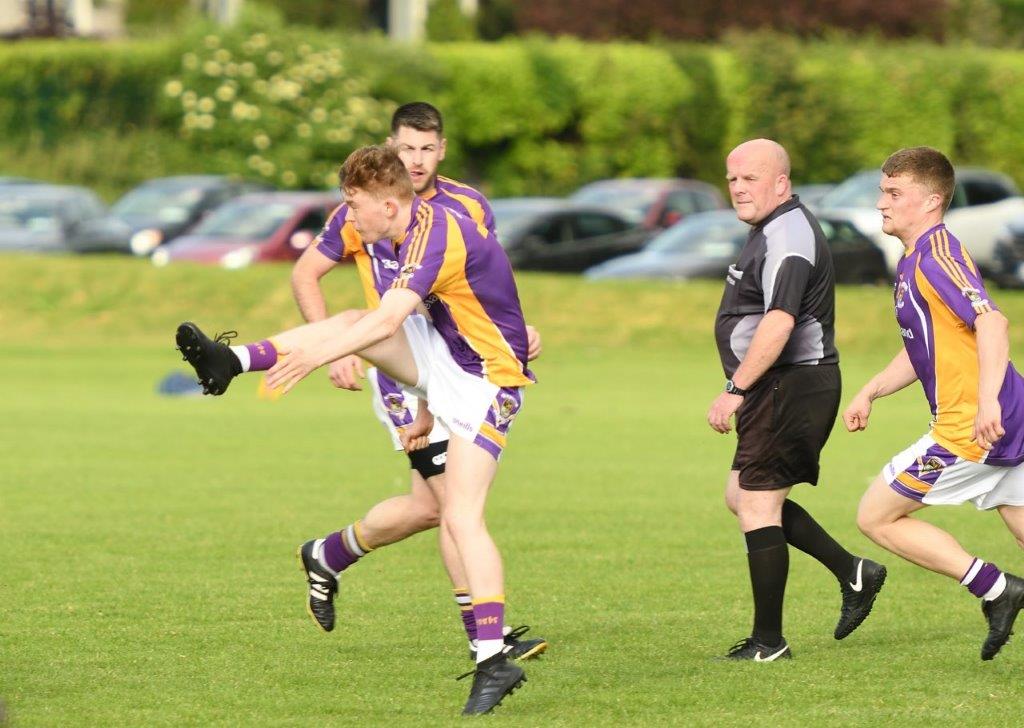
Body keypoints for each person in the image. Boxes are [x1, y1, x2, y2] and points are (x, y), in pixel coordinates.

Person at [176, 144, 533, 714]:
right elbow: (411, 323)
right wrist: (425, 400)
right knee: (349, 321)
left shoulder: (438, 231)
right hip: (448, 363)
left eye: (355, 204)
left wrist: (317, 358)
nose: (350, 216)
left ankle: (493, 660)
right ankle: (232, 362)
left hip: (488, 379)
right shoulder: (408, 224)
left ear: (390, 205)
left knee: (461, 516)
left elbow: (391, 320)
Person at [290, 102, 546, 664]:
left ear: (443, 149)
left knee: (433, 508)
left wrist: (516, 328)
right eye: (407, 148)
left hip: (459, 364)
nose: (418, 159)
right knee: (453, 508)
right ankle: (487, 641)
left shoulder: (467, 205)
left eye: (428, 148)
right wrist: (332, 345)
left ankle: (328, 554)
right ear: (391, 148)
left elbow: (485, 276)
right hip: (403, 371)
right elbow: (305, 273)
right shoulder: (365, 210)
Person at [708, 138, 886, 661]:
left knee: (758, 503)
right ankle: (854, 572)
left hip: (793, 383)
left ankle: (769, 643)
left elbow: (780, 321)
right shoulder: (771, 228)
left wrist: (736, 388)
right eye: (732, 179)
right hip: (781, 384)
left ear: (781, 182)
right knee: (741, 496)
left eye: (751, 178)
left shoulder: (787, 232)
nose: (739, 188)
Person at [845, 146, 1024, 661]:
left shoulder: (936, 257)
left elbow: (992, 322)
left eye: (894, 193)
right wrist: (873, 389)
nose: (881, 203)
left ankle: (996, 589)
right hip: (1001, 416)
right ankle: (1000, 589)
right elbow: (926, 342)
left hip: (971, 425)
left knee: (877, 516)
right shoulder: (916, 257)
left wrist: (985, 401)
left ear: (931, 201)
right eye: (882, 190)